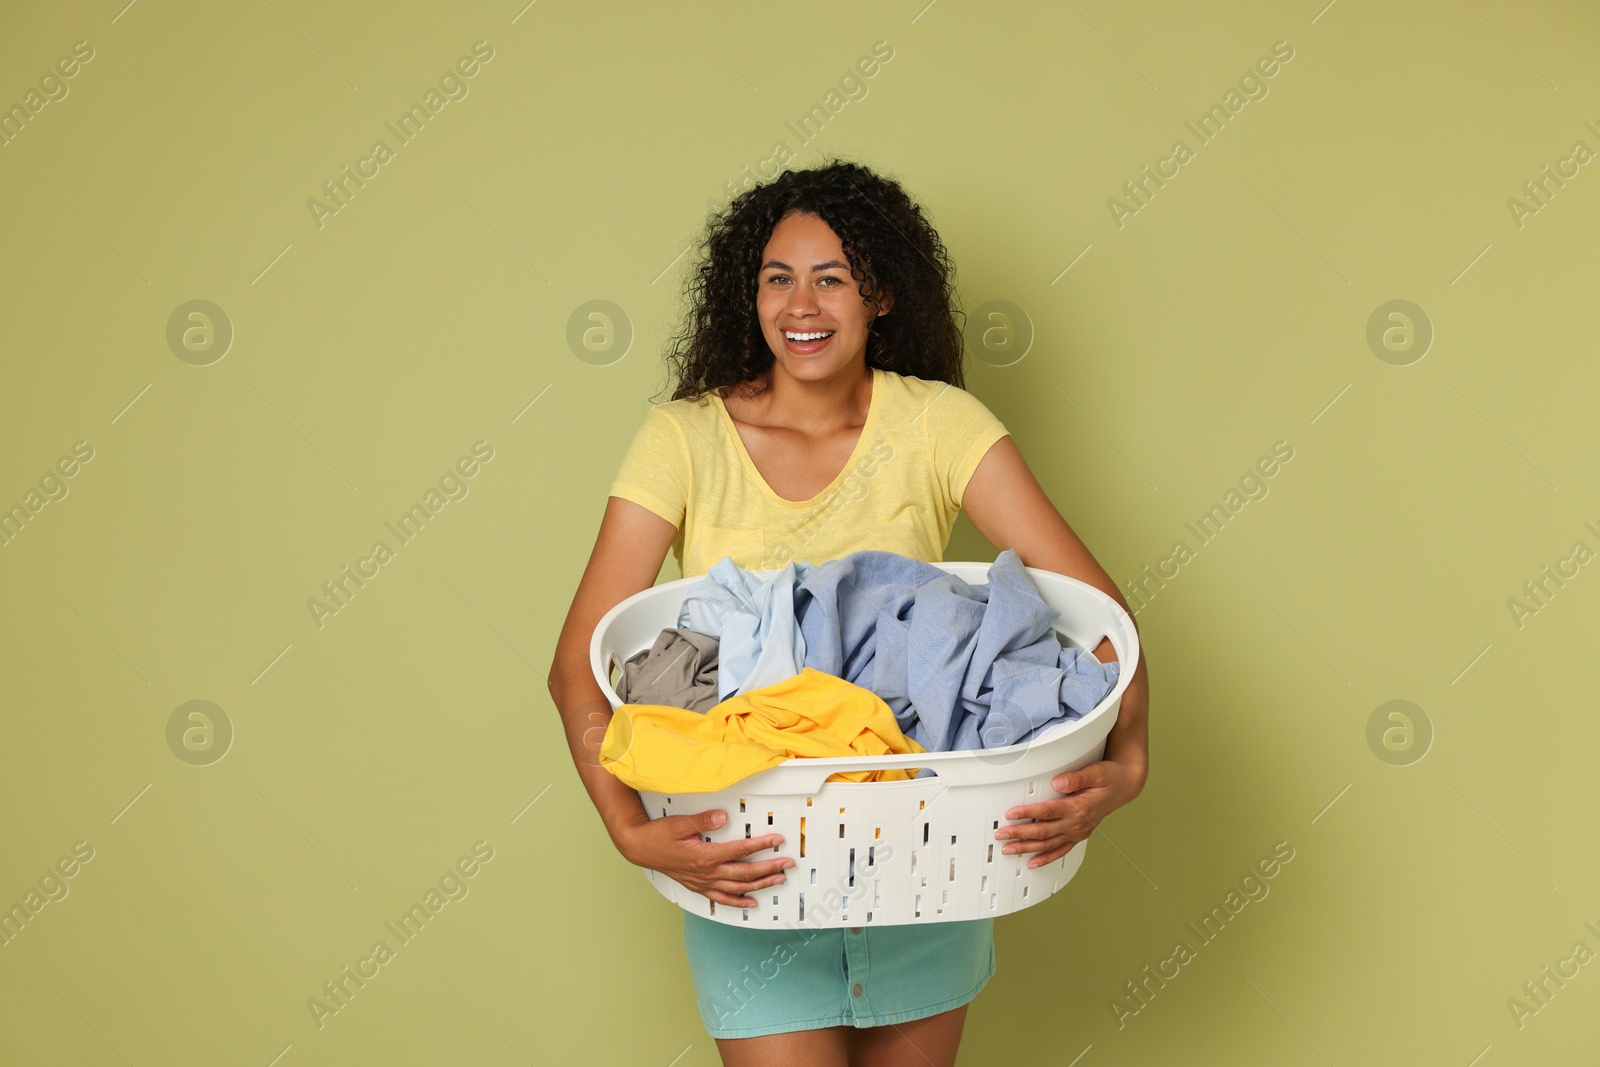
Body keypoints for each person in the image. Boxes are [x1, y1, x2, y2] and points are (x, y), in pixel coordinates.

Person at [548, 159, 1151, 1067]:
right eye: (778, 278)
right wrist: (628, 828)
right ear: (745, 295)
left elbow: (1102, 618)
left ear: (880, 295)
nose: (802, 303)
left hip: (929, 859)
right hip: (753, 865)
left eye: (832, 277)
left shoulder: (939, 425)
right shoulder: (684, 439)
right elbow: (576, 666)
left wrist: (1129, 764)